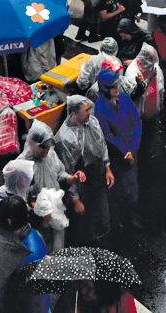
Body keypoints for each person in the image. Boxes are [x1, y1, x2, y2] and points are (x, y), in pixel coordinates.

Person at [54, 95, 113, 245]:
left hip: (97, 177)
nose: (90, 113)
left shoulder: (92, 122)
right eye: (86, 110)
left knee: (101, 213)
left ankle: (102, 239)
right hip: (82, 185)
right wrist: (75, 199)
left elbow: (101, 144)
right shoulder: (65, 138)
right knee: (84, 224)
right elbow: (67, 171)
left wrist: (107, 167)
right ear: (74, 113)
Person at [93, 69, 141, 230]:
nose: (117, 88)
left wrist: (132, 149)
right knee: (121, 189)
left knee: (133, 186)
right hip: (117, 156)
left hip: (131, 152)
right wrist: (124, 152)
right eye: (113, 86)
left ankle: (131, 216)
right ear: (105, 89)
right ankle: (122, 220)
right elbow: (107, 135)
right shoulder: (99, 108)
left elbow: (136, 122)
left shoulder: (124, 98)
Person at [18, 120, 76, 252]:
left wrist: (71, 178)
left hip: (55, 210)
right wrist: (37, 208)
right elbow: (20, 197)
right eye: (43, 147)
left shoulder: (50, 155)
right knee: (41, 251)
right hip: (36, 220)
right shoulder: (22, 165)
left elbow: (60, 173)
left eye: (49, 146)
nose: (47, 150)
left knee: (58, 249)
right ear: (32, 143)